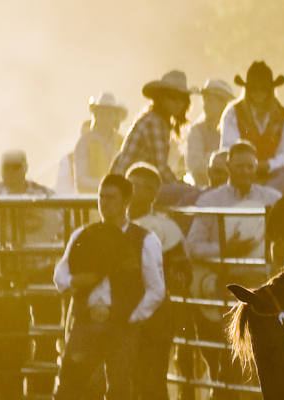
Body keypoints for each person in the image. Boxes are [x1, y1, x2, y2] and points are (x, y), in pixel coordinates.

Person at [52, 174, 164, 400]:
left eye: (111, 198)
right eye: (101, 197)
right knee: (67, 388)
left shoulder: (145, 240)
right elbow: (60, 274)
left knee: (119, 390)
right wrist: (74, 282)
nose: (104, 203)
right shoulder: (83, 235)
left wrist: (131, 317)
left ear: (126, 201)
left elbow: (156, 290)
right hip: (85, 320)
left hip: (120, 325)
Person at [123, 164, 186, 400]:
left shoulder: (166, 229)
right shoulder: (113, 224)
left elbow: (183, 273)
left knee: (151, 380)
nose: (135, 192)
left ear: (153, 194)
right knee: (124, 378)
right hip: (121, 309)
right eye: (131, 185)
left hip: (154, 313)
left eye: (142, 187)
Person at [185, 142, 283, 259]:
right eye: (240, 166)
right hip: (222, 273)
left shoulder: (273, 198)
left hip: (262, 273)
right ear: (228, 167)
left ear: (256, 167)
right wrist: (224, 249)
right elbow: (192, 245)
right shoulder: (209, 201)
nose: (245, 171)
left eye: (250, 166)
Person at [110, 70, 194, 200]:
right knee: (192, 194)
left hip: (127, 184)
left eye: (182, 98)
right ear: (160, 98)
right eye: (172, 97)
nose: (178, 103)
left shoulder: (153, 119)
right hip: (131, 186)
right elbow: (161, 169)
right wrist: (182, 185)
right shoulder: (155, 122)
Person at [221, 61, 284, 193]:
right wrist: (251, 165)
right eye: (253, 88)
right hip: (242, 171)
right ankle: (264, 196)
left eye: (264, 89)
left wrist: (269, 165)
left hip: (274, 173)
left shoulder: (282, 115)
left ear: (271, 91)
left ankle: (265, 194)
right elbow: (229, 146)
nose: (258, 93)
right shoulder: (234, 112)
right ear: (247, 90)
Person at [74, 93, 129, 193]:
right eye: (101, 114)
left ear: (115, 118)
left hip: (118, 201)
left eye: (109, 114)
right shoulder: (84, 142)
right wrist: (107, 186)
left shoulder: (124, 141)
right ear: (95, 117)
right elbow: (81, 180)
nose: (105, 119)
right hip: (88, 201)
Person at [187, 79, 236, 187]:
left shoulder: (234, 129)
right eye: (205, 100)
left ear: (223, 104)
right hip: (204, 186)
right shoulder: (197, 130)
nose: (205, 104)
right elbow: (195, 165)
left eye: (210, 100)